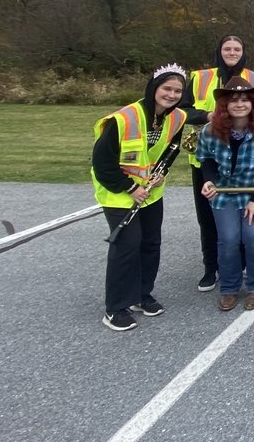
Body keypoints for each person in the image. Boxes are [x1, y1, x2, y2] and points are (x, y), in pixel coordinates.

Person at [92, 64, 188, 331]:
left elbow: (172, 149)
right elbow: (102, 162)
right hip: (118, 193)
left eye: (177, 91)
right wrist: (130, 187)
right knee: (127, 246)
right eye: (166, 88)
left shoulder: (177, 117)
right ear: (154, 88)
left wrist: (162, 172)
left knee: (150, 243)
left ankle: (141, 294)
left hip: (150, 192)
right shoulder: (123, 118)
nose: (171, 95)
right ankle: (115, 308)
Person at [180, 34, 254, 293]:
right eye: (227, 48)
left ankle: (242, 263)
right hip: (207, 158)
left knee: (243, 213)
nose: (232, 52)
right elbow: (181, 111)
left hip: (244, 158)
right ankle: (211, 268)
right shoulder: (200, 77)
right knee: (207, 217)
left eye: (237, 49)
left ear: (243, 52)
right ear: (220, 51)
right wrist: (208, 116)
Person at [197, 78, 254, 312]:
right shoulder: (210, 130)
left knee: (253, 238)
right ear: (224, 104)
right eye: (233, 100)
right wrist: (209, 180)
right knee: (228, 240)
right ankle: (229, 288)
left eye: (245, 99)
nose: (240, 104)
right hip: (224, 192)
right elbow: (206, 159)